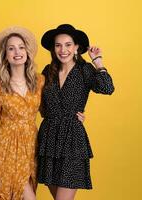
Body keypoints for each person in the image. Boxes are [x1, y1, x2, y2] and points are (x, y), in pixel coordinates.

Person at [37, 24, 115, 200]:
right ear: (53, 48)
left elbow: (107, 88)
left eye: (68, 44)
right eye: (58, 45)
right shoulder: (47, 72)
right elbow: (37, 103)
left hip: (73, 140)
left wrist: (98, 61)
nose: (63, 50)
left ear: (76, 47)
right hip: (48, 139)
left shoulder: (84, 70)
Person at [0, 26, 45, 200]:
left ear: (27, 52)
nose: (17, 52)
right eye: (11, 48)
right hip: (6, 147)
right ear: (5, 55)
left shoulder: (39, 81)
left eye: (21, 47)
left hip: (30, 146)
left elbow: (51, 108)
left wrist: (77, 113)